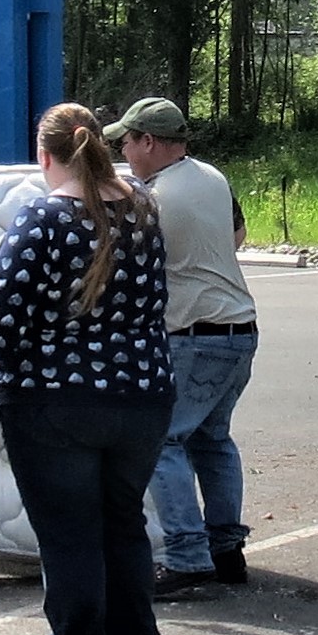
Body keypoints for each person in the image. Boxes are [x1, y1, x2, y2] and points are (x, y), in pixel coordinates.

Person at [0, 104, 176, 635]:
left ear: (45, 156)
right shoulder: (144, 209)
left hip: (54, 398)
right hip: (142, 393)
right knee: (123, 526)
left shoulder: (43, 216)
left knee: (70, 535)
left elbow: (4, 309)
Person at [108, 97, 255, 598]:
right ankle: (226, 549)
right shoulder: (212, 177)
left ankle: (187, 556)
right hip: (240, 327)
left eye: (127, 142)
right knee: (212, 440)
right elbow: (237, 233)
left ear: (149, 141)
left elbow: (124, 264)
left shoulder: (151, 197)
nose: (124, 153)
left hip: (194, 333)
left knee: (161, 440)